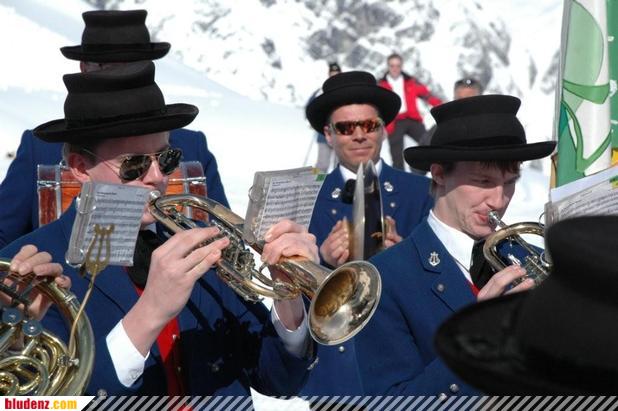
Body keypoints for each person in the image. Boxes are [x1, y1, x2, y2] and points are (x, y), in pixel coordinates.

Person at [0, 62, 317, 396]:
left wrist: (288, 299)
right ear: (80, 168)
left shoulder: (201, 243)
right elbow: (46, 399)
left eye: (166, 159)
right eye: (134, 164)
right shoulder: (29, 268)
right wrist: (150, 312)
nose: (157, 177)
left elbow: (278, 380)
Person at [354, 94, 556, 395]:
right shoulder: (384, 279)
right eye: (484, 181)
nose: (499, 200)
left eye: (510, 181)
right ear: (439, 174)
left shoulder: (536, 260)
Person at [0, 9, 228, 248]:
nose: (122, 75)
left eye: (133, 65)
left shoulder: (193, 145)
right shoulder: (39, 149)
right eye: (107, 65)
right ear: (83, 67)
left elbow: (222, 236)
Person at [300, 71, 434, 395]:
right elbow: (288, 301)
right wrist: (321, 262)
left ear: (384, 129)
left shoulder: (422, 192)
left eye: (369, 125)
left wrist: (405, 258)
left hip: (410, 371)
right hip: (337, 378)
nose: (359, 135)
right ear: (328, 134)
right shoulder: (306, 197)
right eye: (346, 128)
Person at [436, 216, 618, 394]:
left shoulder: (536, 252)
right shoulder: (416, 270)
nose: (496, 202)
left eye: (508, 192)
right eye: (482, 185)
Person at [378, 53, 443, 170]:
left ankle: (434, 171)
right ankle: (399, 179)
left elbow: (426, 95)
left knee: (429, 143)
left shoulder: (410, 81)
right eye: (392, 66)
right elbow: (377, 106)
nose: (395, 69)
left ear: (401, 66)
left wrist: (442, 107)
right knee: (397, 158)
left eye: (398, 66)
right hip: (394, 122)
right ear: (388, 66)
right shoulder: (381, 85)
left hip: (412, 119)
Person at [420, 77, 483, 146]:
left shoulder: (489, 129)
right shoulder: (437, 130)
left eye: (470, 100)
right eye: (460, 99)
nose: (464, 104)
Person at [306, 62, 342, 172]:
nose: (334, 75)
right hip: (323, 133)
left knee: (340, 165)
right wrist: (312, 121)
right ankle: (317, 182)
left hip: (341, 133)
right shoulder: (321, 90)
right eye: (332, 73)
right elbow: (309, 107)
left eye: (337, 73)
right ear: (329, 74)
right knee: (322, 165)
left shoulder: (344, 90)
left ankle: (338, 182)